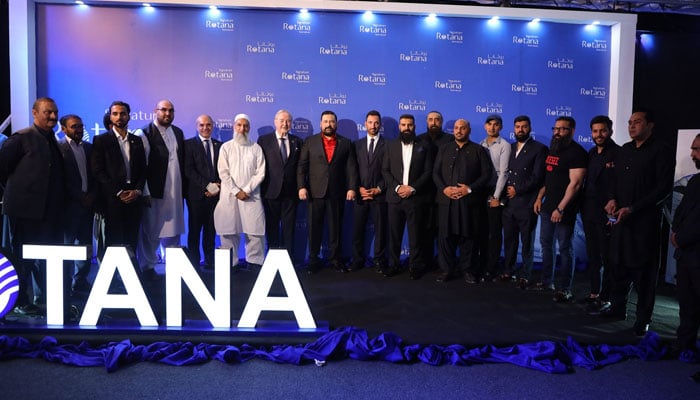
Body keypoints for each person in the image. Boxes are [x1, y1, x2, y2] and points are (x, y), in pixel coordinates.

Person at [602, 108, 674, 336]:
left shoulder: (661, 151)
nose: (632, 126)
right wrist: (612, 199)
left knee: (644, 273)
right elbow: (613, 180)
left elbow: (662, 189)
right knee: (617, 266)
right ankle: (617, 307)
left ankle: (643, 319)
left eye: (638, 122)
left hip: (645, 222)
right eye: (630, 122)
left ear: (650, 125)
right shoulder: (624, 151)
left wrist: (633, 208)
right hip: (621, 221)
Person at [0, 97, 65, 316]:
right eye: (48, 112)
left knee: (44, 259)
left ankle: (43, 299)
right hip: (23, 213)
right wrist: (19, 196)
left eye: (55, 112)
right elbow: (2, 171)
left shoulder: (52, 140)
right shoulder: (21, 138)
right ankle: (19, 301)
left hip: (48, 214)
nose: (53, 117)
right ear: (35, 113)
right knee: (20, 259)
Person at [533, 116, 587, 302]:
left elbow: (576, 184)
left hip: (565, 210)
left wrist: (561, 208)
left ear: (572, 131)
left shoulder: (577, 153)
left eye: (562, 129)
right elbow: (548, 180)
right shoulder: (552, 150)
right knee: (547, 245)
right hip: (548, 207)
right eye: (555, 129)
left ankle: (565, 288)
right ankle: (547, 281)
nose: (557, 133)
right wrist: (540, 197)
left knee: (565, 248)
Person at [297, 110, 358, 273]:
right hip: (314, 193)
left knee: (335, 228)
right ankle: (313, 260)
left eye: (331, 121)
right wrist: (302, 186)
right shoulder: (310, 142)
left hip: (336, 193)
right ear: (320, 124)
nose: (328, 124)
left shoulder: (346, 143)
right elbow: (302, 166)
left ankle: (335, 259)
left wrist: (352, 187)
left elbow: (351, 168)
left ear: (336, 124)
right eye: (325, 121)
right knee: (313, 228)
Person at [433, 119, 493, 283]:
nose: (459, 131)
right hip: (447, 201)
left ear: (469, 130)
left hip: (469, 202)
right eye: (456, 128)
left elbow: (487, 175)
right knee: (445, 237)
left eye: (462, 128)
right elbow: (435, 173)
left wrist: (469, 189)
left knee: (469, 237)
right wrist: (444, 189)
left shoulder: (479, 150)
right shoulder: (444, 149)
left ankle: (468, 270)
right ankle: (447, 270)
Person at [136, 99, 185, 280]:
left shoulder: (178, 132)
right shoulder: (144, 133)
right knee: (151, 231)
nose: (167, 114)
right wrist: (145, 192)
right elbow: (142, 166)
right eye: (163, 110)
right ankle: (148, 267)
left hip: (176, 191)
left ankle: (173, 267)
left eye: (171, 111)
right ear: (155, 111)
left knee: (174, 231)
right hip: (154, 192)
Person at [91, 101, 147, 257]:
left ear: (129, 116)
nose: (119, 117)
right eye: (115, 114)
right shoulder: (101, 140)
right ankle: (113, 278)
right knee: (113, 242)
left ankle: (130, 278)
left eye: (123, 113)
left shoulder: (137, 140)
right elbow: (98, 171)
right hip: (113, 201)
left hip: (134, 200)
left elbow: (143, 169)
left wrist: (137, 190)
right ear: (110, 116)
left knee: (132, 241)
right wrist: (118, 192)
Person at [382, 114, 434, 279]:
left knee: (415, 235)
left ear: (414, 126)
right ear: (399, 127)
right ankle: (394, 265)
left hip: (415, 198)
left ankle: (415, 266)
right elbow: (385, 170)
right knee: (394, 235)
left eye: (409, 125)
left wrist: (412, 188)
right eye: (403, 125)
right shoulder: (390, 146)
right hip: (395, 198)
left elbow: (428, 172)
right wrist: (398, 187)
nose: (406, 128)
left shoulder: (424, 146)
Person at [214, 114, 266, 270]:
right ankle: (232, 263)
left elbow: (261, 172)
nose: (242, 129)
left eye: (245, 126)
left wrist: (247, 189)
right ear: (234, 127)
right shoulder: (226, 147)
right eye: (239, 125)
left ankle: (254, 262)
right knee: (230, 230)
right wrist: (237, 191)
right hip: (230, 195)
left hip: (251, 196)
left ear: (249, 128)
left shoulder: (256, 148)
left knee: (255, 231)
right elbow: (223, 173)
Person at [501, 115, 547, 288]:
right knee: (510, 240)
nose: (520, 130)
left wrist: (517, 190)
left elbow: (537, 177)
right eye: (517, 127)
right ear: (514, 128)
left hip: (526, 203)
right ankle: (509, 270)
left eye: (524, 127)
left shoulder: (539, 149)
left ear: (530, 128)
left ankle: (526, 275)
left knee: (527, 241)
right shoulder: (509, 148)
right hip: (508, 204)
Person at [580, 115, 620, 313]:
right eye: (595, 131)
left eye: (602, 131)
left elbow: (621, 185)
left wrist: (613, 213)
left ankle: (607, 297)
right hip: (589, 211)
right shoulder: (591, 154)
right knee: (593, 255)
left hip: (608, 213)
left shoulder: (619, 153)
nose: (599, 135)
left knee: (607, 256)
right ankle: (595, 293)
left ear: (610, 131)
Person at [57, 114, 96, 294]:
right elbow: (60, 180)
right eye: (74, 126)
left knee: (86, 247)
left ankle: (80, 281)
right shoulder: (58, 148)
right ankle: (63, 284)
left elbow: (95, 175)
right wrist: (78, 196)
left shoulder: (89, 148)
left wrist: (91, 196)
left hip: (88, 206)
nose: (78, 130)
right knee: (66, 248)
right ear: (63, 128)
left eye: (80, 126)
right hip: (68, 207)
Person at [258, 109, 303, 264]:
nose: (285, 123)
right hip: (270, 192)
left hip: (291, 194)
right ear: (275, 122)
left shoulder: (297, 141)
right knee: (271, 229)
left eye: (288, 121)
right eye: (282, 120)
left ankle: (288, 262)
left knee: (289, 230)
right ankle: (272, 262)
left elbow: (300, 168)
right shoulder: (264, 140)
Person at [671, 133, 700, 359]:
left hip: (696, 250)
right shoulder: (696, 181)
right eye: (692, 148)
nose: (692, 154)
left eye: (697, 149)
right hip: (686, 254)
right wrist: (675, 232)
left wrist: (682, 237)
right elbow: (681, 211)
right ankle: (684, 344)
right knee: (687, 303)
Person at [350, 110, 388, 273]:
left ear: (380, 125)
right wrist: (358, 188)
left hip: (380, 196)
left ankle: (379, 260)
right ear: (365, 124)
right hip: (361, 195)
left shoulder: (389, 145)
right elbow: (352, 170)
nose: (373, 126)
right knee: (358, 229)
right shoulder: (356, 145)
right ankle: (357, 259)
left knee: (381, 231)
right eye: (370, 122)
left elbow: (390, 171)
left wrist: (378, 189)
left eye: (376, 123)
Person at [184, 114, 221, 269]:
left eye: (208, 125)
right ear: (196, 126)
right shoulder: (188, 145)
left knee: (211, 231)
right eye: (202, 125)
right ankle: (193, 262)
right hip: (196, 196)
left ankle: (210, 260)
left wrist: (217, 186)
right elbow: (189, 170)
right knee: (194, 231)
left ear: (212, 126)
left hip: (215, 196)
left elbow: (223, 170)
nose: (205, 128)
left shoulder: (220, 145)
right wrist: (208, 186)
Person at [417, 111, 452, 269]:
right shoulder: (418, 140)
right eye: (430, 120)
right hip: (422, 193)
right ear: (426, 122)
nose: (434, 122)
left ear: (441, 122)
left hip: (444, 193)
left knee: (443, 231)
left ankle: (444, 263)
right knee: (424, 230)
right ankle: (425, 261)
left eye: (437, 120)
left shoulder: (450, 140)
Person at [479, 114, 511, 282]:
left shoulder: (504, 145)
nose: (492, 127)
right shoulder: (481, 144)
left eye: (496, 124)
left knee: (494, 232)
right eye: (489, 124)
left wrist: (496, 196)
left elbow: (504, 173)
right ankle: (482, 264)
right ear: (485, 126)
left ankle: (492, 268)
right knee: (482, 231)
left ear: (500, 127)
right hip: (481, 191)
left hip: (495, 191)